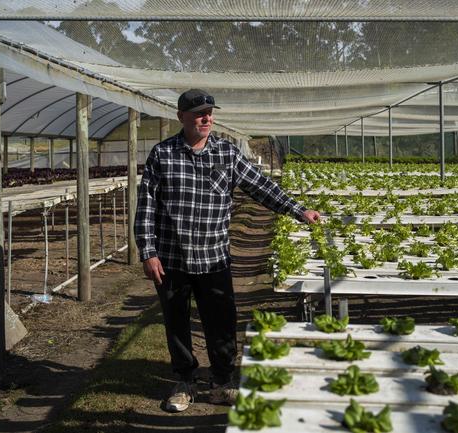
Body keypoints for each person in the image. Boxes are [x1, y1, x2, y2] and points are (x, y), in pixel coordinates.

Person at [134, 89, 320, 413]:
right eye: (198, 113)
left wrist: (299, 211)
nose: (206, 118)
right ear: (181, 117)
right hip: (171, 258)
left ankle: (221, 381)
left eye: (209, 112)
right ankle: (185, 382)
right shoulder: (162, 155)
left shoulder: (227, 153)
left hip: (214, 257)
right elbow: (146, 206)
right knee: (176, 322)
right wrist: (148, 252)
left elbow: (262, 186)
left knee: (221, 322)